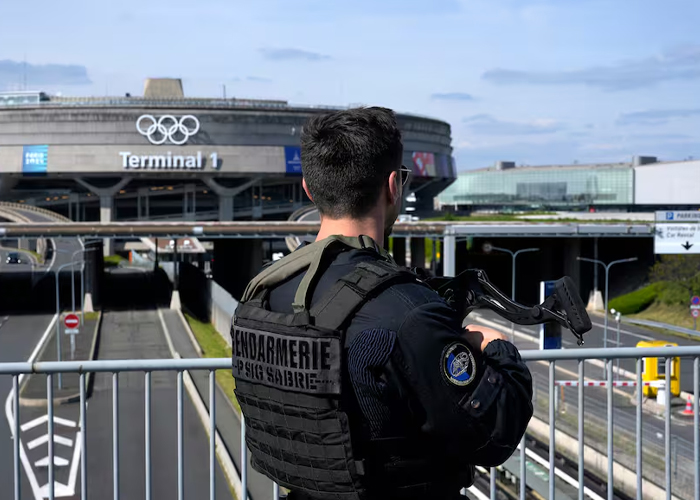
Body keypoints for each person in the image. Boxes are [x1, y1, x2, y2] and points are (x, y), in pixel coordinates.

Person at [231, 107, 533, 500]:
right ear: (394, 186)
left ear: (309, 188)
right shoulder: (409, 312)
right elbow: (495, 435)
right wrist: (495, 346)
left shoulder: (263, 295)